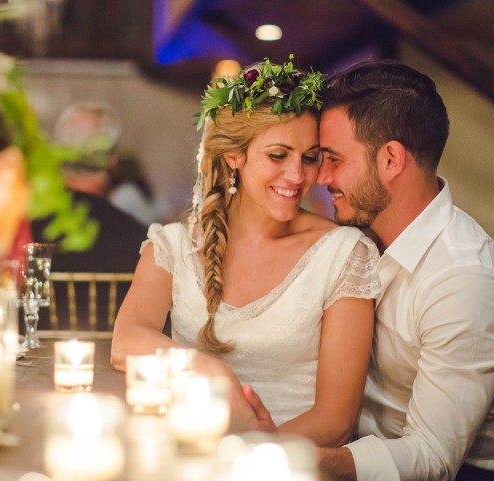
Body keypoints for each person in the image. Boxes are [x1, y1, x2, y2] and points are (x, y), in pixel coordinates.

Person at [245, 60, 494, 481]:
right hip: (354, 452)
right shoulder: (357, 239)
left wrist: (285, 459)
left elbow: (433, 456)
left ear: (391, 159)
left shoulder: (465, 282)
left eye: (334, 159)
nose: (319, 176)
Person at [111, 56, 381, 444]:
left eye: (309, 158)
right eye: (278, 155)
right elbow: (125, 341)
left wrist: (245, 459)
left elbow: (336, 420)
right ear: (235, 156)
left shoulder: (343, 254)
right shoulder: (174, 245)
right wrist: (211, 370)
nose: (297, 176)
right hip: (187, 453)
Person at [30, 101, 148, 329]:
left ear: (57, 156)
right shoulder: (140, 240)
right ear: (112, 162)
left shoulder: (22, 231)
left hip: (27, 356)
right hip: (114, 355)